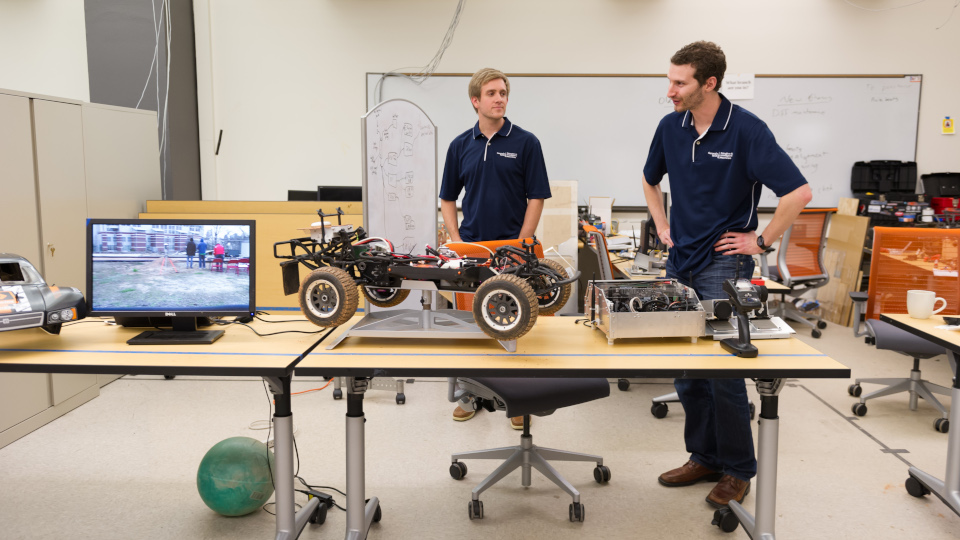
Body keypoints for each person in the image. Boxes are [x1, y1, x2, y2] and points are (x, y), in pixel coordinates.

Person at [642, 41, 812, 509]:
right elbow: (649, 178)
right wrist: (660, 222)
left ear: (709, 83)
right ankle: (705, 456)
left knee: (723, 373)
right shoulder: (670, 126)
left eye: (680, 82)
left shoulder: (747, 131)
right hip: (680, 262)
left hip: (724, 264)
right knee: (687, 372)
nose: (670, 90)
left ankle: (738, 470)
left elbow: (798, 191)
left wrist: (760, 242)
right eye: (670, 79)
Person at [439, 67, 552, 429]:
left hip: (512, 248)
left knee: (512, 323)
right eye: (492, 93)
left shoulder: (526, 142)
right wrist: (455, 239)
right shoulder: (460, 145)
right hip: (472, 248)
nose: (500, 98)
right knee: (473, 324)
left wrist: (523, 242)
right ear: (476, 101)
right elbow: (447, 198)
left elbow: (537, 196)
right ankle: (473, 392)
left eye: (503, 92)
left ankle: (518, 398)